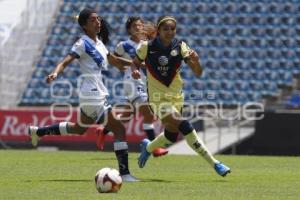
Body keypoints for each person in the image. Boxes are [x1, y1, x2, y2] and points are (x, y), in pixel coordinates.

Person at [28, 8, 139, 182]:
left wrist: (137, 63)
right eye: (93, 19)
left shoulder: (99, 43)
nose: (98, 22)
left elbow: (114, 60)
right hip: (92, 94)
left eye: (98, 19)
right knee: (119, 129)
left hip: (93, 94)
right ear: (84, 25)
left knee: (79, 129)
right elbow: (66, 61)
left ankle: (38, 131)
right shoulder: (82, 43)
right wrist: (55, 73)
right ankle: (124, 174)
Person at [131, 16, 231, 177]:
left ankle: (148, 147)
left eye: (172, 29)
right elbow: (135, 62)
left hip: (176, 97)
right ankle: (215, 164)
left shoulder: (181, 46)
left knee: (171, 136)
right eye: (166, 29)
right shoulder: (147, 47)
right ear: (158, 30)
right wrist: (134, 70)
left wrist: (196, 61)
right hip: (158, 99)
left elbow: (198, 73)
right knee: (184, 125)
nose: (170, 32)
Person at [96, 17, 168, 157]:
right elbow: (113, 60)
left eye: (141, 26)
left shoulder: (147, 44)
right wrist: (129, 66)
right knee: (148, 114)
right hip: (132, 82)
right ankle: (154, 147)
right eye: (135, 26)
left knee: (127, 116)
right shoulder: (124, 45)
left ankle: (103, 130)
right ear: (129, 29)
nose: (139, 28)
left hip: (146, 82)